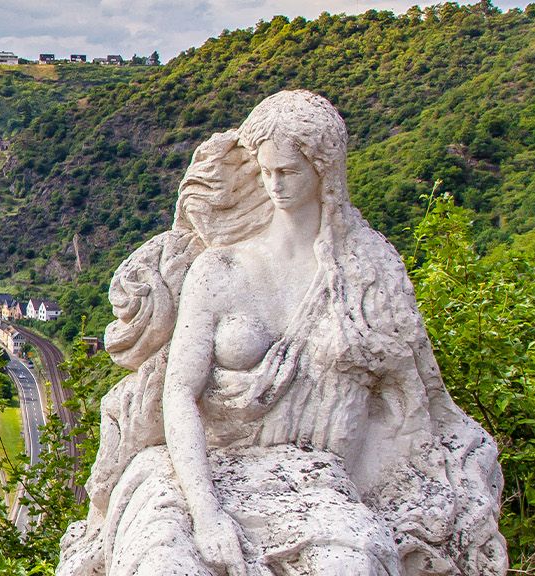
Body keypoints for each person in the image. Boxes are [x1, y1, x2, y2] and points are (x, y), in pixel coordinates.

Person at [59, 91, 504, 576]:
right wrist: (208, 518)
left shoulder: (367, 274)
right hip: (197, 477)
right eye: (265, 171)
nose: (274, 185)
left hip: (314, 482)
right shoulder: (220, 269)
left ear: (324, 172)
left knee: (348, 565)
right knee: (167, 565)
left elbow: (410, 403)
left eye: (288, 172)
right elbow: (179, 396)